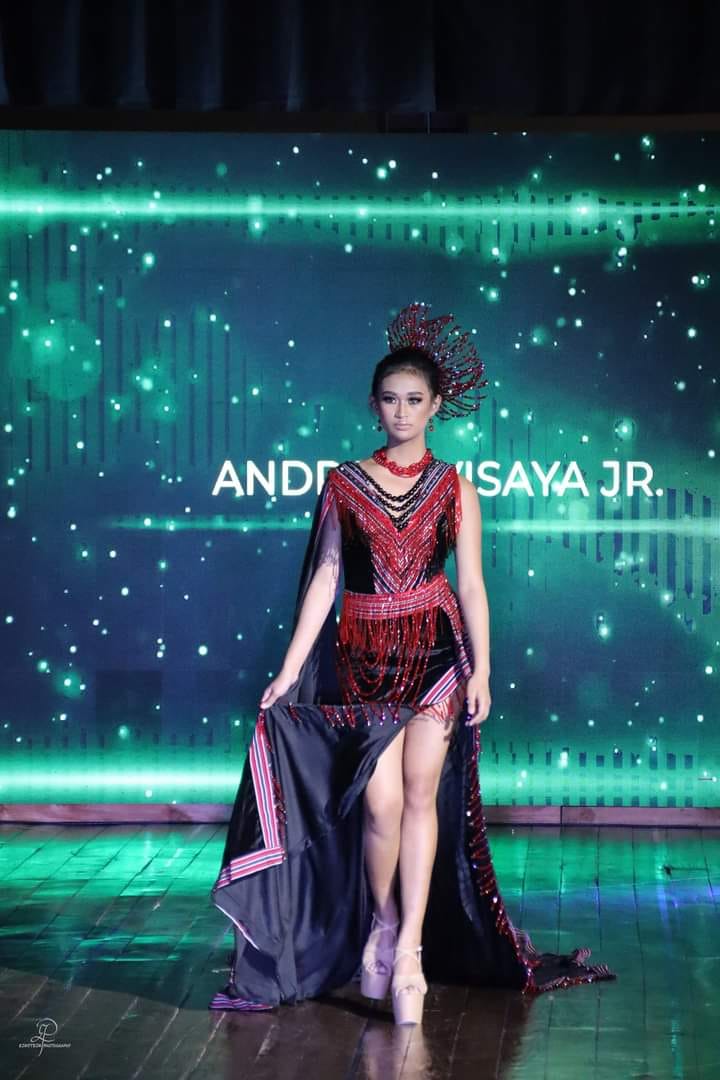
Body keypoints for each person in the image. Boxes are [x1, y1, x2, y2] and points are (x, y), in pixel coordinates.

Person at [209, 301, 615, 1024]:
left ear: (435, 406)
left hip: (436, 650)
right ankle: (384, 920)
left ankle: (409, 956)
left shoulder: (455, 486)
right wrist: (289, 668)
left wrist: (482, 670)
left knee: (423, 794)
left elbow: (473, 585)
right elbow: (326, 579)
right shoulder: (343, 482)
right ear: (374, 405)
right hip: (362, 656)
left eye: (414, 400)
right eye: (390, 399)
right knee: (381, 804)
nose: (402, 411)